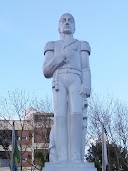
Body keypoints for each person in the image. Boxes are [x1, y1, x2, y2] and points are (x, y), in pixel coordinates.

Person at [43, 13, 91, 163]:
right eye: (63, 20)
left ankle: (76, 155)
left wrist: (87, 84)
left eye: (70, 20)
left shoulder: (81, 44)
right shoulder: (52, 45)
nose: (67, 23)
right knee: (60, 117)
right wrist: (61, 57)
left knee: (76, 115)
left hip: (76, 79)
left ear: (75, 26)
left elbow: (86, 68)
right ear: (58, 26)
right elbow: (46, 71)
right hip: (59, 80)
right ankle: (62, 157)